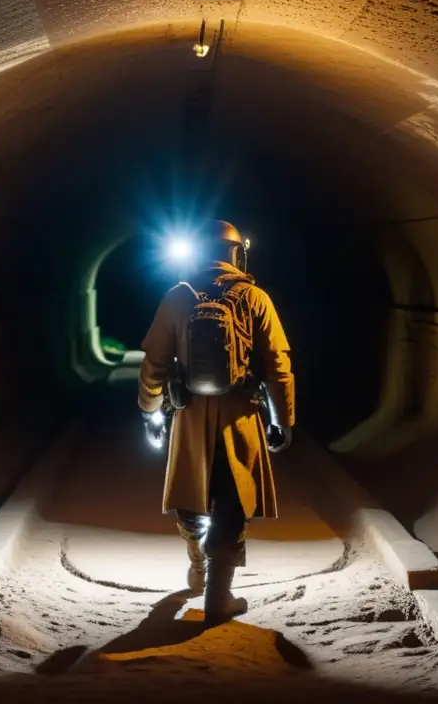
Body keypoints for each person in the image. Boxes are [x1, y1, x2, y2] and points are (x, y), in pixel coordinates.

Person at [137, 219, 295, 626]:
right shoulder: (255, 297)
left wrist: (150, 409)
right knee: (232, 499)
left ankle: (197, 568)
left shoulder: (177, 297)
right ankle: (218, 597)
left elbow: (154, 361)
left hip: (189, 414)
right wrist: (283, 418)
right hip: (240, 414)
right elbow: (278, 364)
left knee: (191, 494)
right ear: (236, 252)